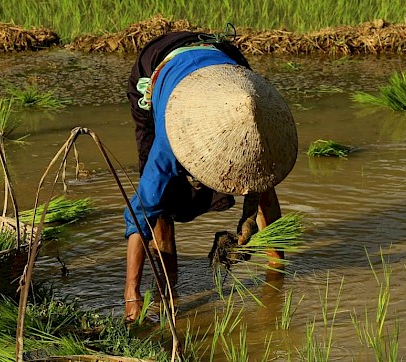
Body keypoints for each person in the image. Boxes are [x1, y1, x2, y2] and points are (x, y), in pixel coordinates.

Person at [123, 31, 298, 322]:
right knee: (158, 198)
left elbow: (261, 176)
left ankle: (276, 270)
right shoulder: (171, 137)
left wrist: (248, 216)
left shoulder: (259, 108)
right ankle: (168, 284)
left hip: (225, 61)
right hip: (157, 66)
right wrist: (132, 294)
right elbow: (139, 213)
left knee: (262, 177)